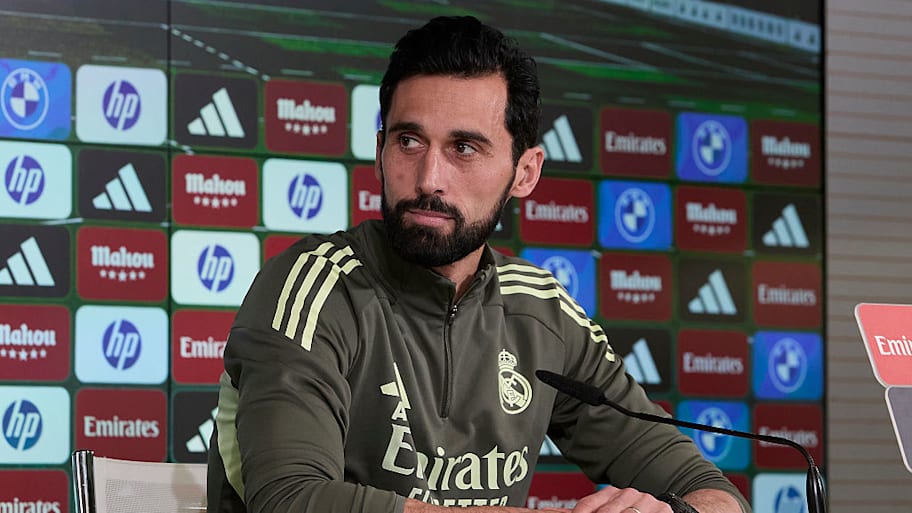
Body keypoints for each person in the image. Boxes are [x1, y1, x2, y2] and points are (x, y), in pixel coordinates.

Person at [207, 15, 750, 513]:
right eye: (408, 141)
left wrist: (678, 512)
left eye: (464, 148)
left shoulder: (543, 313)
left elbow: (714, 493)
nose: (429, 178)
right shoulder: (314, 288)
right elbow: (291, 499)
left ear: (525, 173)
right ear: (379, 151)